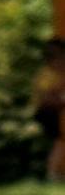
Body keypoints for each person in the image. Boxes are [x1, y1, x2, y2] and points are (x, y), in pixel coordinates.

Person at [34, 37, 65, 184]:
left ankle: (53, 172)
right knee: (60, 141)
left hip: (51, 110)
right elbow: (46, 97)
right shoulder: (48, 74)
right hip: (47, 111)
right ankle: (53, 173)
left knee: (59, 141)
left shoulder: (51, 73)